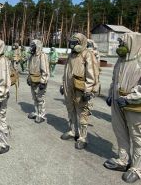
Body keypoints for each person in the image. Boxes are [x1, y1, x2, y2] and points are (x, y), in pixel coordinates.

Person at [103, 33, 141, 183]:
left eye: (122, 44)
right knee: (120, 131)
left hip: (134, 105)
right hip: (118, 102)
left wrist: (129, 98)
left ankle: (137, 169)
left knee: (137, 136)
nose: (120, 47)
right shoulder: (120, 60)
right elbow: (114, 79)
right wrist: (111, 94)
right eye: (119, 44)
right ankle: (123, 160)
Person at [60, 33, 99, 150]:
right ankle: (73, 131)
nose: (72, 44)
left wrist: (89, 91)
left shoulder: (87, 54)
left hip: (80, 89)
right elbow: (66, 71)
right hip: (69, 87)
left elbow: (92, 74)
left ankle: (83, 137)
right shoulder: (71, 55)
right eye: (71, 42)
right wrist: (63, 85)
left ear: (81, 42)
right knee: (70, 109)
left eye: (75, 42)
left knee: (82, 112)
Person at [27, 40, 49, 123]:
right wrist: (29, 78)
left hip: (39, 81)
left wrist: (43, 82)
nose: (31, 47)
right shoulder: (32, 56)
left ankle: (42, 115)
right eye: (31, 45)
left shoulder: (42, 56)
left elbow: (45, 70)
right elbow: (30, 68)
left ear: (38, 46)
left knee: (40, 98)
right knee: (34, 98)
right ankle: (36, 112)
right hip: (33, 80)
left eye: (33, 46)